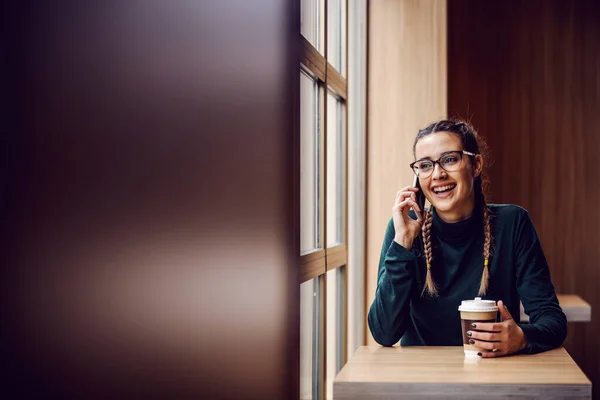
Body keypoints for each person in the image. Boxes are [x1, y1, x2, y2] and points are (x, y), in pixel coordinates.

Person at [367, 119, 567, 357]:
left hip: (491, 374)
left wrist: (522, 338)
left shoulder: (513, 223)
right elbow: (384, 332)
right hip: (421, 378)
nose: (438, 174)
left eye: (450, 159)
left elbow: (552, 320)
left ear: (476, 165)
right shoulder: (405, 230)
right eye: (425, 165)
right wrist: (402, 243)